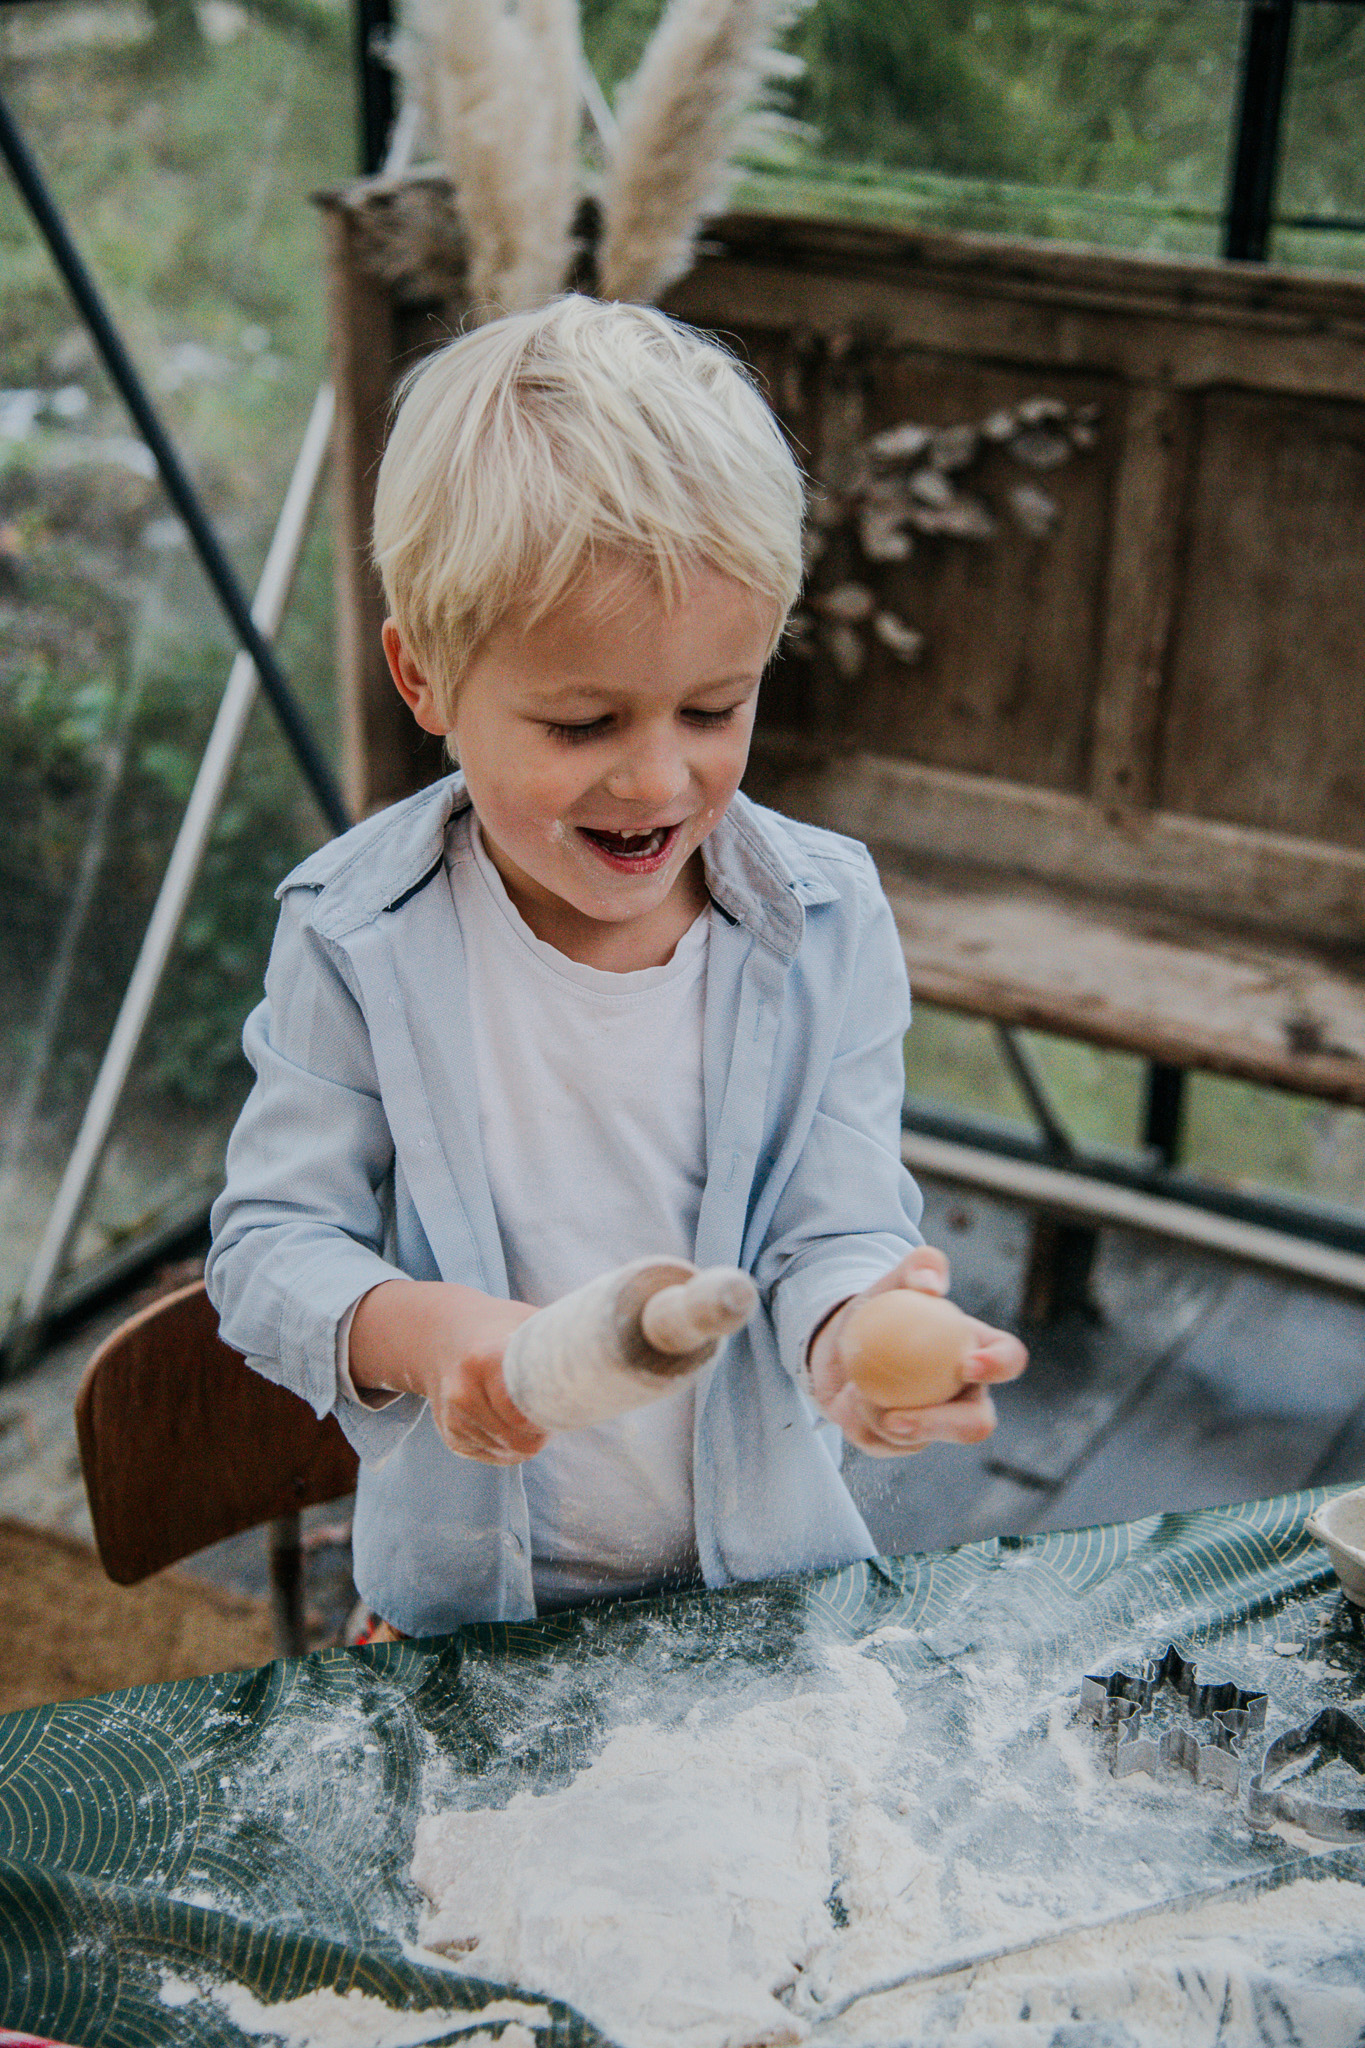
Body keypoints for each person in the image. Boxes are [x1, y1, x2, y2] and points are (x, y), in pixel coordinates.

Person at [206, 295, 1026, 1637]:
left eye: (713, 707)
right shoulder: (355, 937)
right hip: (462, 1622)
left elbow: (832, 1224)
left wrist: (859, 1336)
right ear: (423, 679)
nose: (656, 778)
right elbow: (267, 1253)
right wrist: (434, 1335)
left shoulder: (825, 921)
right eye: (582, 723)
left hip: (755, 1608)